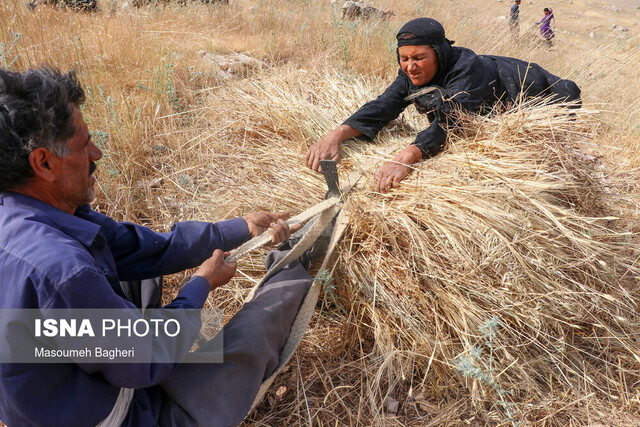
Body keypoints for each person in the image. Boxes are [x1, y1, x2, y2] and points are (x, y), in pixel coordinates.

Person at [0, 67, 323, 426]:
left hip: (64, 384)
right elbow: (145, 359)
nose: (97, 153)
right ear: (42, 162)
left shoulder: (29, 213)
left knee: (140, 275)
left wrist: (242, 228)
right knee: (258, 328)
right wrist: (200, 286)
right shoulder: (62, 271)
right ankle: (300, 265)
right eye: (83, 144)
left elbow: (147, 248)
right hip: (120, 415)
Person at [305, 17, 581, 193]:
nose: (410, 67)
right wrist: (336, 134)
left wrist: (407, 156)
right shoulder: (411, 74)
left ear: (438, 53)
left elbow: (452, 120)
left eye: (419, 58)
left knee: (565, 96)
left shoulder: (469, 70)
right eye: (404, 58)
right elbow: (384, 105)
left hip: (538, 91)